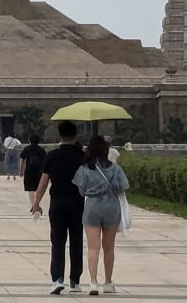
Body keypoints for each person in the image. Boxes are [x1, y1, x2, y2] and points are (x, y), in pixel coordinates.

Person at [30, 121, 86, 295]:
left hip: (57, 203)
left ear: (60, 135)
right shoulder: (82, 156)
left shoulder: (52, 156)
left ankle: (57, 279)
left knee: (58, 242)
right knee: (76, 241)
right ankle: (75, 280)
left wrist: (36, 203)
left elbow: (43, 183)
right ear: (75, 135)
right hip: (78, 203)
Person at [72, 135, 129, 295]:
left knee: (93, 247)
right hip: (111, 207)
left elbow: (81, 190)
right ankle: (108, 282)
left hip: (92, 207)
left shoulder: (84, 168)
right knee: (109, 246)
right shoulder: (115, 168)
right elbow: (122, 187)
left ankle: (93, 282)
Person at [20, 138, 47, 211]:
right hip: (39, 171)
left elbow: (22, 159)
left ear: (30, 141)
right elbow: (45, 161)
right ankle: (36, 204)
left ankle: (33, 205)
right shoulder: (41, 150)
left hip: (29, 171)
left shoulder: (27, 149)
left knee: (30, 189)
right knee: (38, 188)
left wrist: (21, 170)